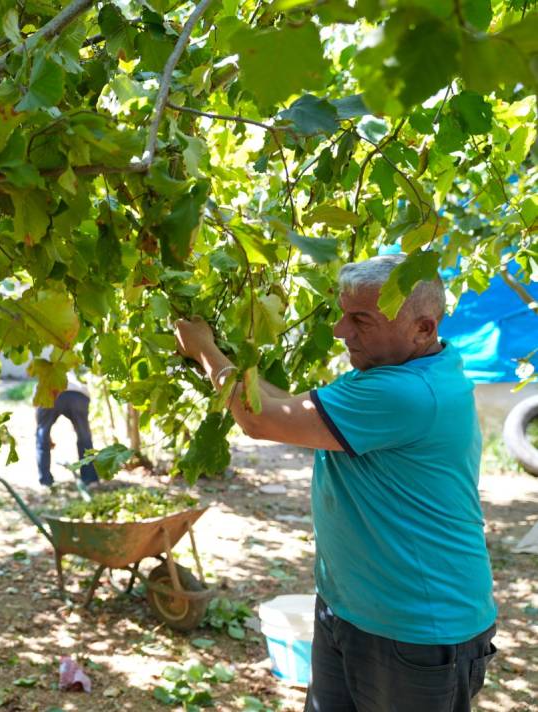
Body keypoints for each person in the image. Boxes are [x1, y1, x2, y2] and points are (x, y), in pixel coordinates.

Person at [174, 254, 496, 712]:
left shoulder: (403, 393)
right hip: (349, 609)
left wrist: (204, 349)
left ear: (423, 328)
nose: (342, 330)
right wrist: (225, 352)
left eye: (360, 319)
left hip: (417, 630)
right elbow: (286, 406)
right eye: (343, 314)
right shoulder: (403, 369)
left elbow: (259, 419)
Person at [35, 376, 99, 486]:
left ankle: (45, 481)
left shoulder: (45, 378)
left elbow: (38, 415)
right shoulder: (74, 375)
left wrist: (45, 434)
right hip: (78, 395)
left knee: (42, 437)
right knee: (84, 437)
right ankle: (90, 478)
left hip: (50, 393)